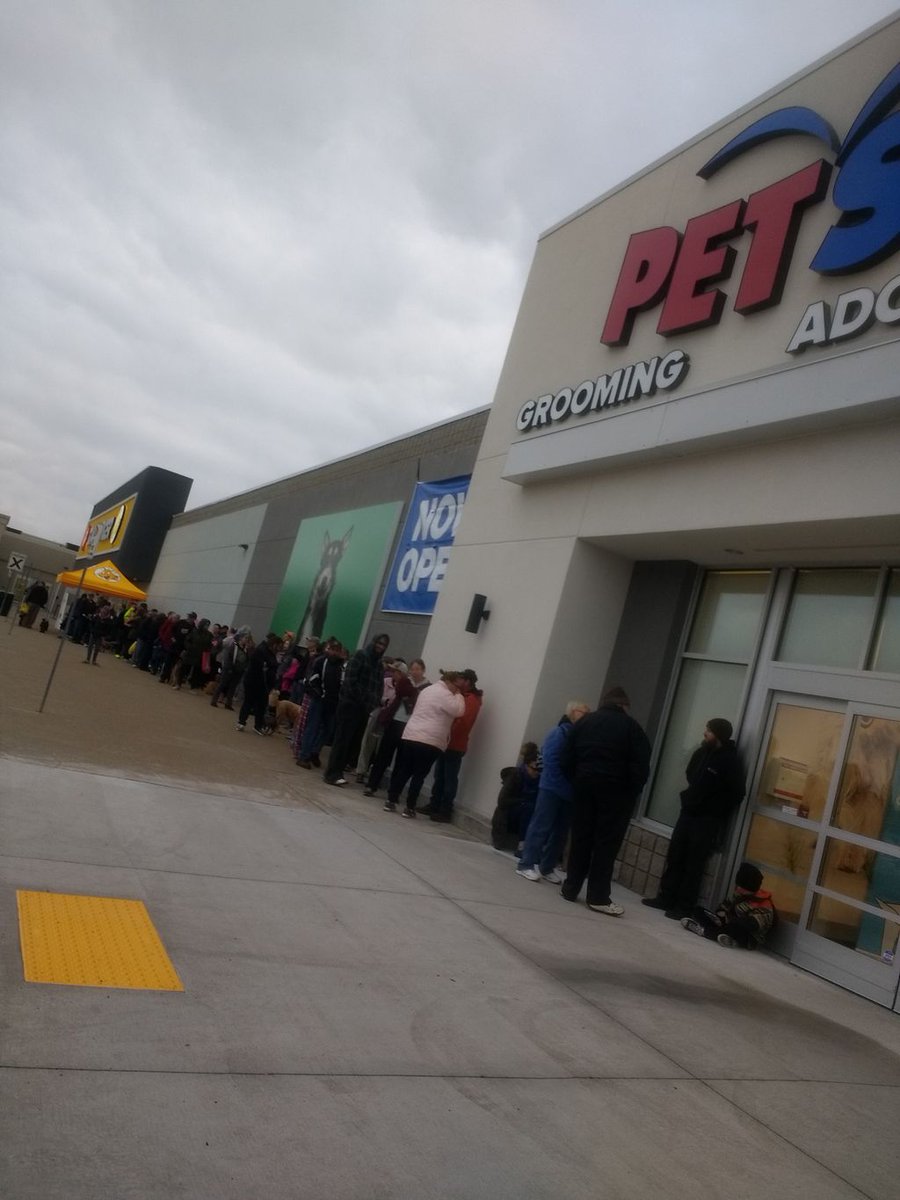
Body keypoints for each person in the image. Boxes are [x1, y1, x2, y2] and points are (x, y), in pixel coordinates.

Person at [559, 686, 651, 916]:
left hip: (584, 788)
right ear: (624, 705)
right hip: (616, 794)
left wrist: (577, 780)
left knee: (581, 838)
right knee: (606, 845)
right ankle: (598, 897)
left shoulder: (585, 723)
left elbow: (566, 757)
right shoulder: (632, 728)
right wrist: (631, 791)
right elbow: (641, 767)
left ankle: (570, 888)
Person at [642, 717, 746, 919]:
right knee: (676, 855)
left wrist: (716, 808)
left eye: (709, 730)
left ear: (719, 734)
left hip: (707, 819)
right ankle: (666, 897)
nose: (705, 733)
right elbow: (691, 773)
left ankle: (684, 905)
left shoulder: (729, 761)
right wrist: (692, 796)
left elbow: (737, 793)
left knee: (694, 863)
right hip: (688, 812)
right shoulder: (702, 752)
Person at [516, 700, 592, 882]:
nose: (587, 716)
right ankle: (526, 864)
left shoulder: (578, 735)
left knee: (560, 832)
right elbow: (550, 761)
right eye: (584, 712)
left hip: (568, 790)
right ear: (573, 712)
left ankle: (547, 866)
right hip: (552, 787)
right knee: (541, 826)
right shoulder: (558, 733)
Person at [384, 670, 465, 817]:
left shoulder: (427, 690)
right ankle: (409, 807)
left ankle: (391, 800)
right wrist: (459, 695)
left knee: (405, 769)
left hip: (411, 734)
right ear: (449, 682)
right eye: (456, 686)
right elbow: (458, 711)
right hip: (430, 740)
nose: (456, 689)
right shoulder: (446, 694)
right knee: (419, 774)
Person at [323, 634, 390, 785]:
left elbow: (378, 686)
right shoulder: (360, 656)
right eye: (379, 643)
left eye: (384, 645)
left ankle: (339, 771)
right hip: (350, 705)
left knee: (354, 742)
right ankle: (332, 773)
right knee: (342, 740)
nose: (381, 647)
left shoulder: (378, 664)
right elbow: (351, 680)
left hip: (365, 709)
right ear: (373, 642)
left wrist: (372, 703)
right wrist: (363, 699)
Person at [424, 668, 483, 823]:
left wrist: (447, 732)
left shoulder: (471, 700)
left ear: (468, 682)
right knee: (440, 775)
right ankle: (434, 804)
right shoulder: (463, 696)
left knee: (449, 779)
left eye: (461, 679)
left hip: (455, 744)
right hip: (447, 741)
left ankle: (445, 811)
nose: (458, 681)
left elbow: (463, 722)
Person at [681, 862, 776, 948]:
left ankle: (704, 931)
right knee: (699, 911)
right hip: (727, 923)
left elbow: (752, 925)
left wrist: (730, 920)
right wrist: (720, 916)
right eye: (737, 886)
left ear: (750, 888)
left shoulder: (764, 905)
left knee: (733, 929)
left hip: (748, 936)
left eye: (741, 887)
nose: (738, 889)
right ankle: (723, 936)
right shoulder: (740, 894)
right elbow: (724, 906)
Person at [363, 660, 417, 795]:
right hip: (394, 722)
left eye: (395, 672)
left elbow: (403, 691)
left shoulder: (407, 684)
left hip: (405, 725)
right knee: (383, 756)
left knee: (399, 760)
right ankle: (372, 784)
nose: (393, 674)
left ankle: (392, 791)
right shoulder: (402, 684)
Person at [297, 638, 344, 767]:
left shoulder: (341, 666)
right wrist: (320, 694)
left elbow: (342, 684)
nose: (333, 652)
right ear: (327, 649)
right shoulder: (320, 662)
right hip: (319, 700)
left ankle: (314, 751)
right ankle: (304, 756)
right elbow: (312, 680)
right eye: (331, 649)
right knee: (312, 727)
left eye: (336, 650)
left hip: (333, 703)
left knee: (328, 730)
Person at [491, 746, 542, 852]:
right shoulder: (515, 776)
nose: (537, 772)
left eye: (540, 770)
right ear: (526, 766)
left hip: (525, 814)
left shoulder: (539, 781)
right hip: (509, 814)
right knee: (528, 807)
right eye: (534, 769)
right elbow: (502, 801)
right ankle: (522, 844)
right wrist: (522, 801)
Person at [237, 632, 280, 734]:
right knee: (249, 702)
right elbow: (261, 668)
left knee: (261, 706)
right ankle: (241, 722)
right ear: (274, 644)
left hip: (265, 684)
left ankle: (258, 725)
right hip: (254, 682)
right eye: (279, 646)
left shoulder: (271, 653)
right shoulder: (261, 651)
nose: (279, 648)